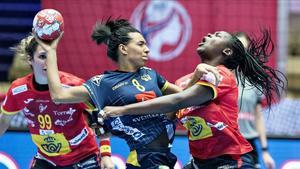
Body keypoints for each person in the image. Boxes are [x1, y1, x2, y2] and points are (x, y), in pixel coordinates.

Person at [41, 18, 219, 169]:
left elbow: (183, 98)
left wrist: (197, 74)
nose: (147, 49)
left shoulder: (151, 75)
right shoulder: (102, 84)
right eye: (141, 44)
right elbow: (58, 95)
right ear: (123, 49)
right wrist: (50, 51)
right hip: (143, 159)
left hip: (164, 156)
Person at [102, 30, 286, 168]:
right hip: (198, 162)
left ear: (227, 51)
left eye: (215, 35)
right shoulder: (183, 82)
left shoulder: (222, 75)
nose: (208, 34)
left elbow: (178, 101)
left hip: (227, 162)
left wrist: (122, 110)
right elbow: (168, 115)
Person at [0, 35, 114, 169]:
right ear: (30, 60)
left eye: (51, 56)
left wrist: (106, 154)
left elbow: (100, 117)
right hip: (47, 159)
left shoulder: (73, 85)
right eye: (42, 56)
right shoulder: (18, 90)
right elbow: (4, 121)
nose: (48, 61)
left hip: (84, 157)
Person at [235, 32, 276, 169]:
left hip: (249, 145)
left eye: (244, 49)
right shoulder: (220, 77)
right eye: (238, 47)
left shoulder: (255, 82)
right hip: (226, 143)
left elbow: (258, 117)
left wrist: (265, 151)